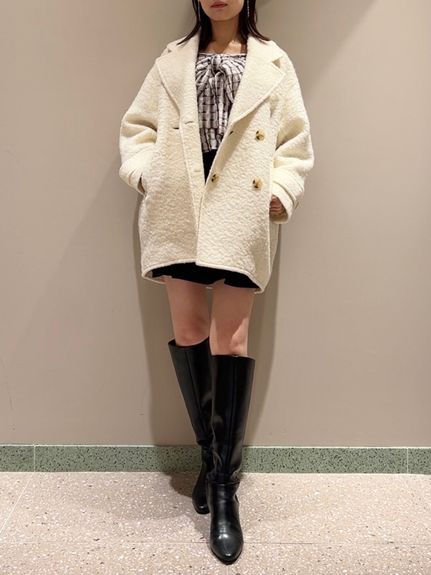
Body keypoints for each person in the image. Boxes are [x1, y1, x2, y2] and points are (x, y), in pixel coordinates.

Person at [118, 0, 314, 565]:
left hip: (239, 211)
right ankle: (211, 459)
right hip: (178, 210)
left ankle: (225, 490)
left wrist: (281, 191)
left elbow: (295, 142)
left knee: (231, 340)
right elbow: (136, 129)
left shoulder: (274, 62)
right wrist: (147, 175)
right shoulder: (171, 60)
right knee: (189, 331)